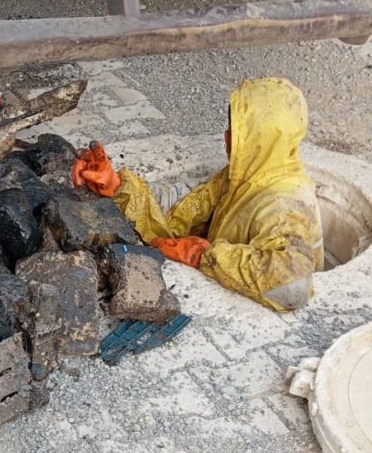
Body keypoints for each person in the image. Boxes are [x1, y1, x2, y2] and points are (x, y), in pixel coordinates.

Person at [72, 77, 324, 312]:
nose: (226, 138)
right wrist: (117, 186)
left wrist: (204, 256)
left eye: (238, 133)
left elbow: (292, 287)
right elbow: (186, 205)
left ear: (260, 140)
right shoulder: (250, 174)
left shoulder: (285, 205)